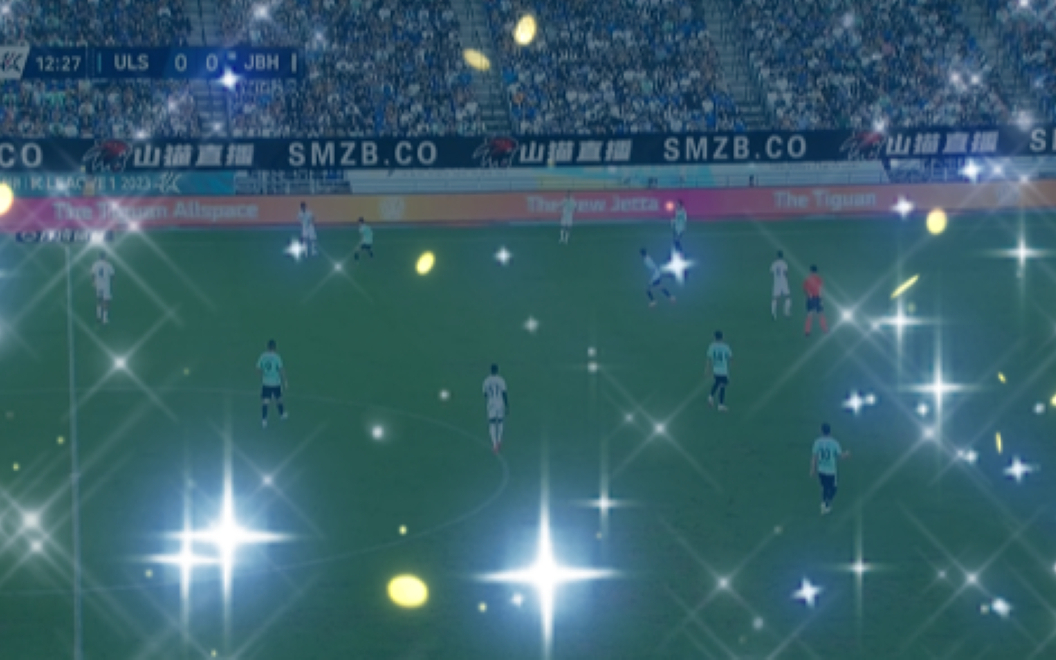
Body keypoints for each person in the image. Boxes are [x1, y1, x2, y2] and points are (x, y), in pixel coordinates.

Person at [810, 423, 850, 515]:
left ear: (821, 431)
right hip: (831, 470)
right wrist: (847, 454)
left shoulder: (817, 442)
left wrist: (813, 469)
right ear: (830, 431)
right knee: (833, 488)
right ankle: (826, 503)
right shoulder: (834, 443)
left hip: (821, 469)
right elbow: (840, 456)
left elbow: (814, 457)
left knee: (824, 487)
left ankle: (824, 503)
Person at [257, 339, 288, 428]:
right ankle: (282, 414)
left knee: (265, 402)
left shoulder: (263, 356)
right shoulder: (277, 357)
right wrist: (285, 381)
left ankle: (264, 420)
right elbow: (281, 370)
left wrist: (264, 375)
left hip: (266, 383)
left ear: (267, 347)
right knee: (279, 399)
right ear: (275, 347)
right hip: (276, 383)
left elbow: (258, 369)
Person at [483, 364, 508, 453]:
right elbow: (504, 393)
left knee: (492, 422)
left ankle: (494, 443)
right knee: (500, 422)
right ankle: (499, 439)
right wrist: (507, 405)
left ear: (490, 370)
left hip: (491, 403)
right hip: (500, 402)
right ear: (497, 370)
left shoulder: (486, 380)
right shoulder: (501, 380)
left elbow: (485, 394)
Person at [706, 330, 732, 411]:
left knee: (717, 383)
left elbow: (709, 359)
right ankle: (721, 405)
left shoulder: (712, 346)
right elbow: (730, 357)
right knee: (722, 385)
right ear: (722, 337)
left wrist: (707, 369)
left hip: (715, 369)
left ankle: (711, 397)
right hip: (723, 370)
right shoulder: (725, 347)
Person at [803, 265, 828, 336]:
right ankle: (825, 330)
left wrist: (809, 297)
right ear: (816, 271)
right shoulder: (819, 279)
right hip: (817, 298)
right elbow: (821, 289)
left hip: (810, 299)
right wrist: (821, 299)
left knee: (809, 315)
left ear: (810, 271)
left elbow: (806, 290)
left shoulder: (807, 280)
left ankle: (807, 331)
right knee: (821, 314)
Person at [90, 252, 115, 324]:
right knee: (106, 301)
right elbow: (112, 275)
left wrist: (93, 282)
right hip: (105, 285)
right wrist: (113, 283)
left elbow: (92, 274)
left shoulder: (95, 264)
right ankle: (104, 319)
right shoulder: (108, 265)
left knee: (99, 300)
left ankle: (98, 316)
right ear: (105, 257)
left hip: (98, 285)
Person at [771, 250, 791, 320]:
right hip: (783, 282)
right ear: (782, 256)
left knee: (775, 298)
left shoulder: (774, 264)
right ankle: (786, 312)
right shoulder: (784, 263)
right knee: (787, 297)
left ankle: (773, 313)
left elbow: (772, 272)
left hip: (777, 283)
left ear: (777, 256)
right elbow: (786, 273)